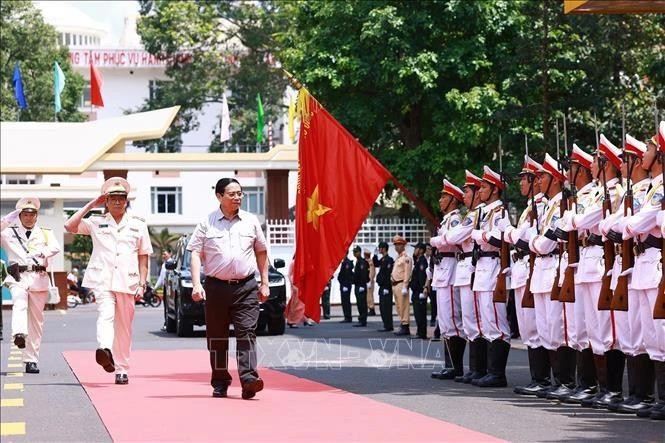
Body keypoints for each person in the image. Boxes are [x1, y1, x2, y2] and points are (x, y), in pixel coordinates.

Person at [186, 178, 269, 399]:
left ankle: (249, 379)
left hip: (246, 287)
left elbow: (261, 251)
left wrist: (265, 282)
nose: (237, 197)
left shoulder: (251, 221)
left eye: (240, 193)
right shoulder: (207, 223)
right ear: (219, 196)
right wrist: (196, 284)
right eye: (232, 194)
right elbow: (194, 252)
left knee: (247, 332)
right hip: (216, 288)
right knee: (217, 337)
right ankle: (220, 381)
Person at [64, 177, 152, 385]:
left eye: (121, 198)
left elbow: (143, 256)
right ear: (106, 200)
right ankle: (105, 350)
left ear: (126, 200)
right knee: (105, 315)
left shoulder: (138, 224)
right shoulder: (96, 222)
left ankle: (122, 368)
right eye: (113, 198)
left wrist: (142, 282)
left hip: (128, 281)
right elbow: (69, 225)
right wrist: (91, 205)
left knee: (124, 327)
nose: (118, 202)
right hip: (102, 278)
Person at [560, 136, 626, 409]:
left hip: (601, 260)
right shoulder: (596, 193)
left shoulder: (617, 192)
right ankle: (592, 385)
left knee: (604, 329)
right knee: (586, 327)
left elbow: (589, 220)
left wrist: (574, 220)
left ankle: (611, 388)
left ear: (605, 164)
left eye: (595, 161)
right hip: (587, 260)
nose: (591, 165)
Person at [502, 156, 551, 395]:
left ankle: (543, 378)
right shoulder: (529, 208)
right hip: (522, 270)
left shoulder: (541, 206)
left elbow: (521, 237)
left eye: (524, 179)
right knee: (527, 327)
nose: (520, 184)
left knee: (537, 325)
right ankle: (537, 377)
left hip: (534, 269)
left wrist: (509, 231)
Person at [1, 197, 61, 374]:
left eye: (32, 214)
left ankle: (31, 360)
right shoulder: (8, 232)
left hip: (38, 276)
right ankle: (19, 334)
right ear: (19, 215)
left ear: (36, 216)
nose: (29, 217)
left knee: (36, 321)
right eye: (25, 214)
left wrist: (41, 251)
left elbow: (55, 247)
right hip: (17, 276)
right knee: (19, 302)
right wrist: (7, 219)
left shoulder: (45, 233)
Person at [470, 166, 511, 388]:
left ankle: (498, 373)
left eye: (484, 187)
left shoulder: (500, 212)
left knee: (496, 320)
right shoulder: (486, 212)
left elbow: (501, 239)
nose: (480, 191)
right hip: (482, 267)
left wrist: (480, 235)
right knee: (486, 320)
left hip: (494, 267)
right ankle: (488, 370)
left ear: (495, 189)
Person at [429, 179, 465, 379]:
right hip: (442, 270)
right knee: (444, 320)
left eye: (444, 197)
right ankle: (449, 364)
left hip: (450, 269)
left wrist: (435, 241)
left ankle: (456, 366)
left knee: (452, 319)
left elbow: (449, 240)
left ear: (452, 200)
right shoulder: (446, 220)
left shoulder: (455, 220)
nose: (440, 200)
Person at [391, 235, 412, 336]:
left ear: (403, 245)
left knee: (403, 306)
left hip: (401, 284)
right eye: (395, 245)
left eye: (398, 244)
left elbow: (407, 273)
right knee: (398, 306)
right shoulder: (398, 258)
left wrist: (405, 286)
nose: (396, 247)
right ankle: (402, 323)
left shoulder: (406, 258)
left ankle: (405, 325)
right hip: (395, 284)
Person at [410, 243, 429, 339]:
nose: (414, 250)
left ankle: (422, 333)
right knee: (417, 314)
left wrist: (423, 290)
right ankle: (419, 332)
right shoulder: (418, 261)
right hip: (416, 291)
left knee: (420, 314)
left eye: (416, 249)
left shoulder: (422, 262)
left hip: (419, 292)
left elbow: (423, 276)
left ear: (421, 250)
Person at [375, 241, 394, 332]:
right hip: (382, 287)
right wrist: (374, 255)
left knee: (387, 308)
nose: (379, 250)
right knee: (382, 308)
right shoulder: (383, 259)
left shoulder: (389, 260)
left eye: (380, 248)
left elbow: (388, 274)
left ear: (383, 248)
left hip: (386, 287)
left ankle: (389, 325)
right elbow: (376, 264)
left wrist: (387, 287)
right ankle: (386, 325)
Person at [351, 245, 370, 327]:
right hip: (358, 285)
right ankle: (361, 319)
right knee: (359, 303)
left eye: (356, 252)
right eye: (354, 252)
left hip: (361, 286)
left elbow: (364, 275)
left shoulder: (362, 262)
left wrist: (362, 285)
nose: (354, 254)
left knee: (362, 304)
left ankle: (363, 320)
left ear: (359, 252)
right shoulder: (358, 262)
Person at [155, 248, 172, 331]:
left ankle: (168, 324)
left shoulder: (171, 263)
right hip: (166, 287)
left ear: (170, 254)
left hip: (170, 288)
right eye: (163, 254)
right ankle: (166, 323)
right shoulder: (164, 264)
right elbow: (161, 278)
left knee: (169, 307)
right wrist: (155, 288)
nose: (163, 256)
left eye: (165, 254)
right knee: (166, 307)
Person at [337, 254, 354, 323]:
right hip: (343, 285)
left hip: (346, 286)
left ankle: (348, 317)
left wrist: (345, 285)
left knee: (346, 301)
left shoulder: (347, 263)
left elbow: (347, 275)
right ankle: (346, 316)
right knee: (344, 301)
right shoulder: (344, 262)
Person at [364, 249, 377, 316]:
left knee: (369, 296)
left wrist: (370, 280)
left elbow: (372, 272)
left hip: (369, 282)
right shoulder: (366, 261)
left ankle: (372, 309)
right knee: (367, 296)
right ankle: (369, 308)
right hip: (366, 281)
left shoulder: (370, 262)